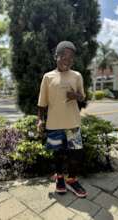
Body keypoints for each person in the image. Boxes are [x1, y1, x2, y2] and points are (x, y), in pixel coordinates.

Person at [37, 41, 87, 198]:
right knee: (58, 153)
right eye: (63, 55)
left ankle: (71, 180)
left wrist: (76, 96)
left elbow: (82, 97)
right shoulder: (48, 77)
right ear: (56, 56)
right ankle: (59, 178)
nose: (67, 59)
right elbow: (42, 102)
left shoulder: (77, 76)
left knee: (76, 154)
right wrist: (40, 120)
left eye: (71, 57)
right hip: (54, 124)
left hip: (72, 123)